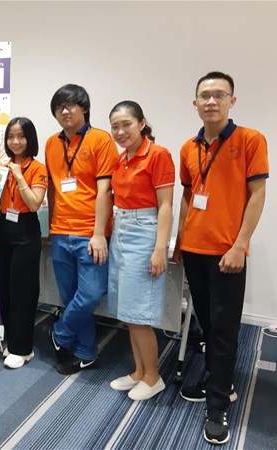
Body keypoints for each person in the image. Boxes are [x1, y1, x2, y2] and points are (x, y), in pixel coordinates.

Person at [173, 71, 269, 445]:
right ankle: (221, 382)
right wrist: (180, 241)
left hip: (228, 252)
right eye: (205, 95)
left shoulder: (250, 140)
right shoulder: (188, 147)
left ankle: (217, 406)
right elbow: (188, 196)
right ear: (194, 103)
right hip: (195, 249)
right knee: (208, 325)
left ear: (232, 100)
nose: (211, 101)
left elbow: (257, 194)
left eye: (219, 94)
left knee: (225, 329)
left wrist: (240, 245)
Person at [45, 84, 119, 375]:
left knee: (90, 294)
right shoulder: (51, 143)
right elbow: (53, 188)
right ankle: (86, 353)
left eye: (70, 105)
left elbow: (105, 191)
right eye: (58, 107)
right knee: (71, 296)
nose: (64, 111)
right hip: (60, 232)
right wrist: (51, 226)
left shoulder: (101, 140)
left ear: (84, 108)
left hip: (90, 233)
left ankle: (60, 333)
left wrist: (99, 234)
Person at [107, 101, 174, 400]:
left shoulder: (158, 155)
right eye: (115, 126)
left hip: (144, 233)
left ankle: (153, 376)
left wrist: (160, 249)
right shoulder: (121, 158)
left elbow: (166, 205)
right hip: (120, 231)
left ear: (142, 123)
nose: (120, 131)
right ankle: (139, 371)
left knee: (140, 314)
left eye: (127, 124)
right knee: (128, 311)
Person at [0, 117, 47, 369]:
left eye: (21, 136)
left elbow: (34, 203)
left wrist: (19, 176)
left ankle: (23, 348)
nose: (15, 141)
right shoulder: (1, 167)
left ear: (30, 139)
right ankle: (13, 341)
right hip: (3, 227)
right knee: (5, 288)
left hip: (26, 230)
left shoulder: (37, 168)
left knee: (23, 290)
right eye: (11, 137)